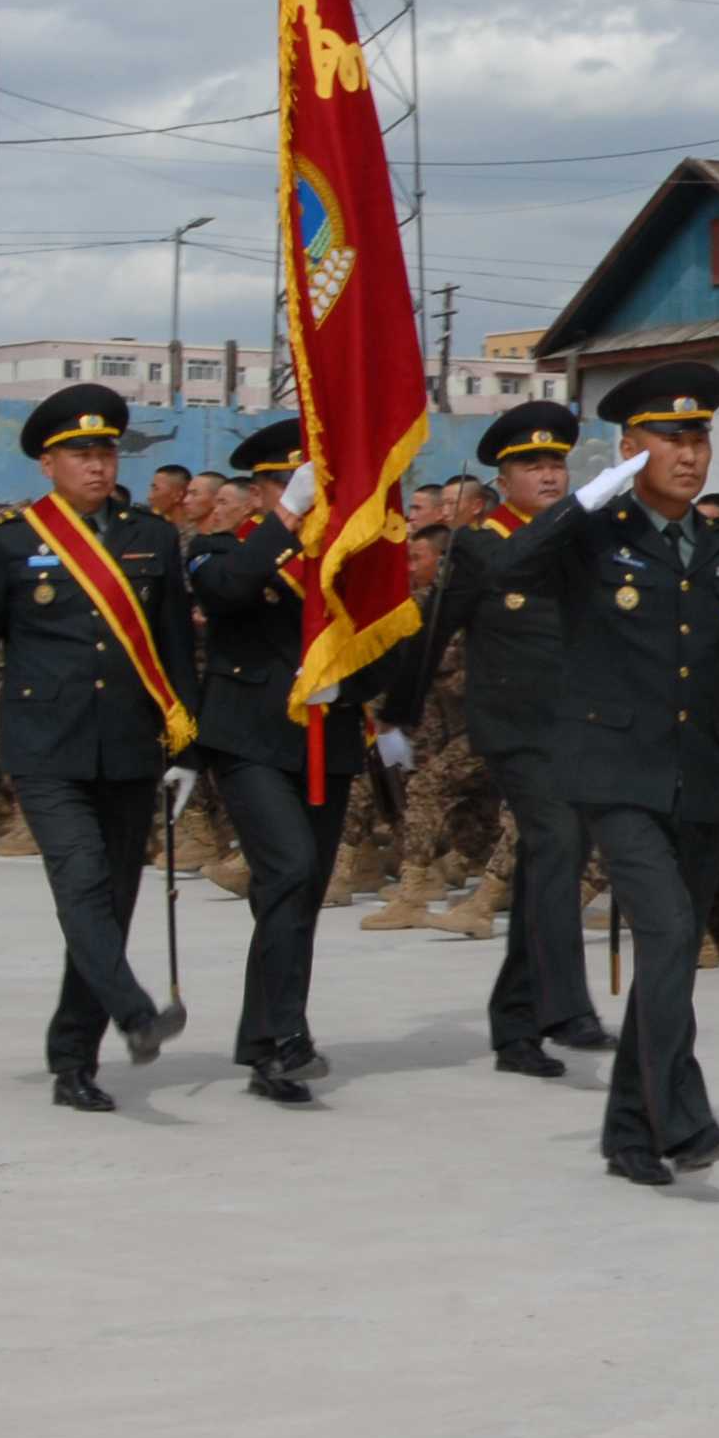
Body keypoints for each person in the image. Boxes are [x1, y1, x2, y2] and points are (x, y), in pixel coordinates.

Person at [488, 362, 719, 1188]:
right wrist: (584, 500)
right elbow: (507, 572)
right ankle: (684, 1119)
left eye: (699, 435)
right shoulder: (592, 537)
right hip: (615, 774)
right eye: (670, 438)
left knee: (671, 957)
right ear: (630, 448)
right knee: (671, 934)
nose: (690, 453)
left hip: (702, 779)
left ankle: (630, 1134)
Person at [0, 385, 199, 1113]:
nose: (97, 465)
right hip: (45, 747)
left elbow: (179, 649)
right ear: (48, 464)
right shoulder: (8, 541)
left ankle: (72, 1061)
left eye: (107, 451)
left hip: (129, 746)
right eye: (81, 454)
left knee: (111, 906)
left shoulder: (151, 536)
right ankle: (135, 1011)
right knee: (81, 879)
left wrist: (188, 750)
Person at [188, 418, 409, 1106]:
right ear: (259, 492)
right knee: (288, 868)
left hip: (330, 737)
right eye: (285, 483)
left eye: (311, 483)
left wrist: (365, 687)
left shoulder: (345, 560)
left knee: (297, 892)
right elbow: (225, 592)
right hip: (251, 737)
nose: (305, 494)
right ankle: (287, 1036)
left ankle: (264, 1042)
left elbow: (393, 645)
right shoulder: (220, 549)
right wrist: (288, 517)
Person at [390, 404, 615, 1073]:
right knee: (557, 840)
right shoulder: (480, 544)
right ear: (503, 477)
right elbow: (434, 632)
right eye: (531, 466)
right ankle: (564, 1004)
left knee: (551, 861)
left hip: (576, 725)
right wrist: (394, 715)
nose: (548, 475)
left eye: (555, 464)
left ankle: (515, 1026)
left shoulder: (584, 540)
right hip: (514, 728)